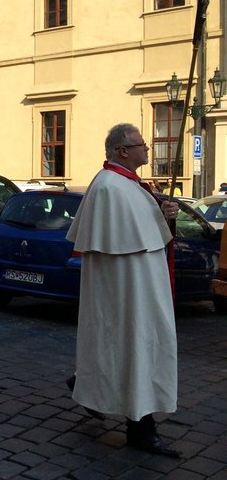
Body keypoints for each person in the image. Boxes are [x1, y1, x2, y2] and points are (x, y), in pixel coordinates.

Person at [66, 123, 180, 457]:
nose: (147, 148)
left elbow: (148, 234)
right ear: (122, 151)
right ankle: (141, 428)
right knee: (134, 354)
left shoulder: (132, 186)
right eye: (141, 144)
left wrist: (166, 217)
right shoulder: (109, 187)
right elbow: (116, 246)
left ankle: (87, 386)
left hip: (143, 291)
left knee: (130, 353)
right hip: (127, 298)